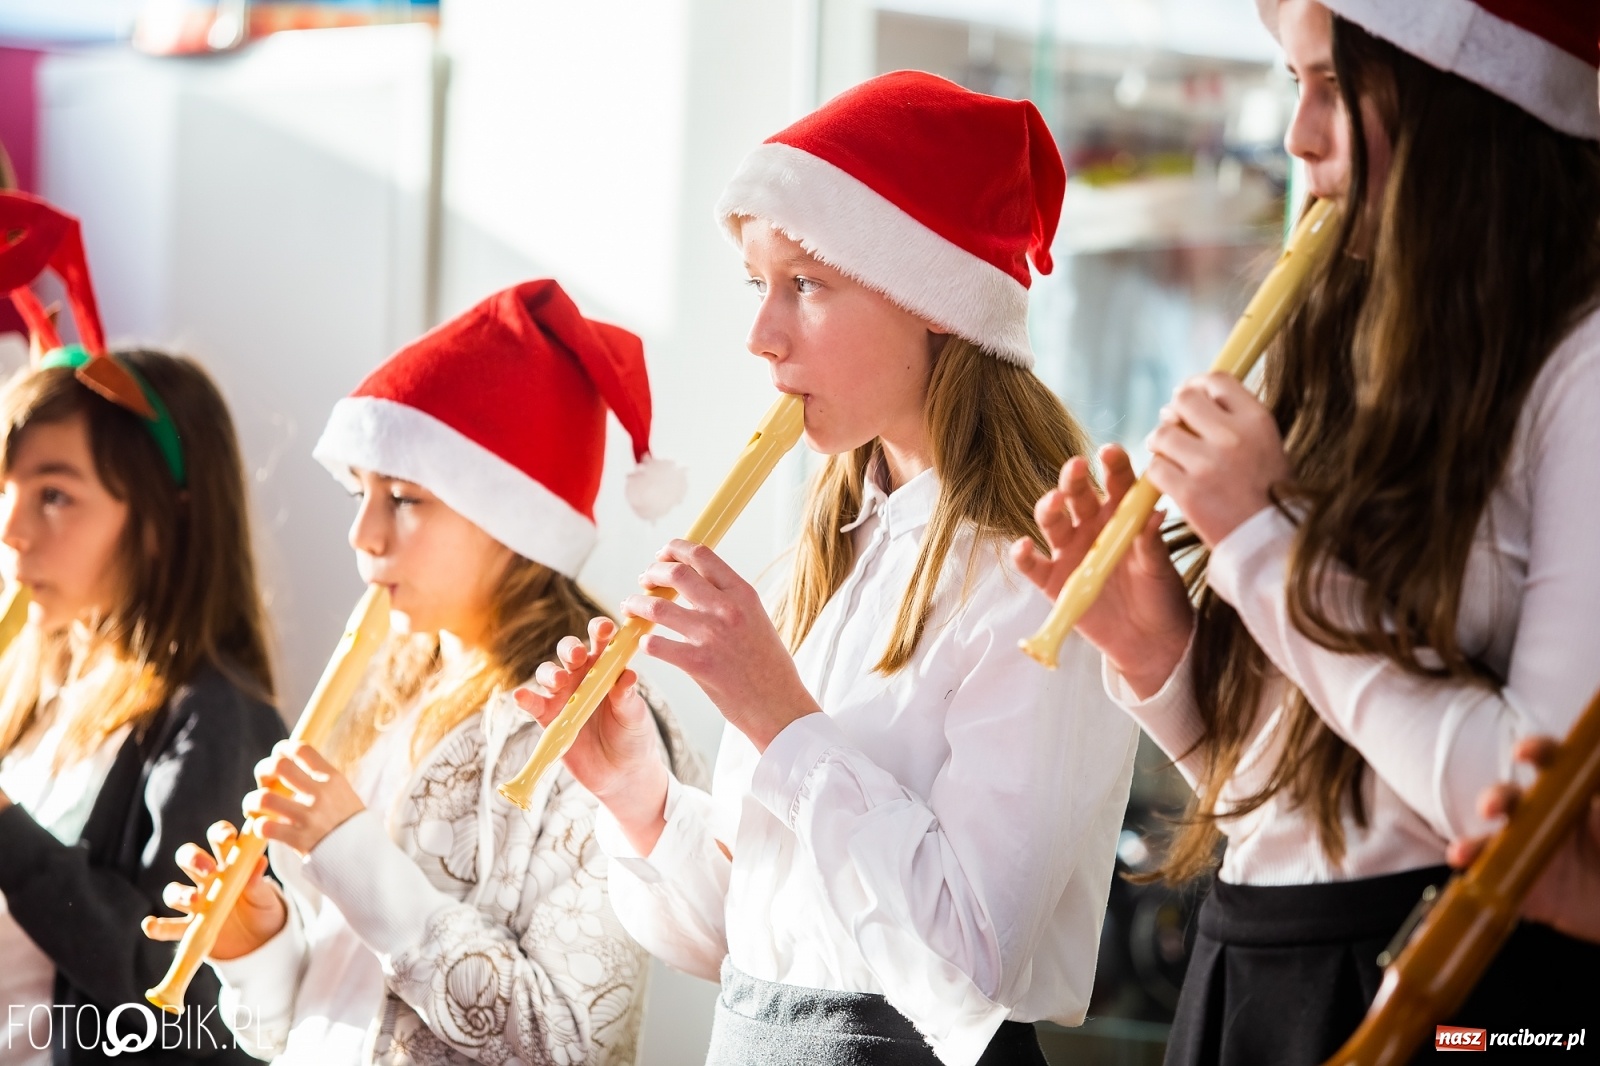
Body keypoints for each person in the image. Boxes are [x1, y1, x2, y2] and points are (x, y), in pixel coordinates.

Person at [1013, 1, 1600, 1061]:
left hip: (1469, 994)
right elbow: (1295, 819)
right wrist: (1163, 660)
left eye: (1332, 85)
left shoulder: (1582, 367)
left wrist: (1266, 549)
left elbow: (1537, 818)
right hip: (1253, 957)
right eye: (1291, 84)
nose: (1298, 137)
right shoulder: (1340, 346)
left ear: (1467, 99)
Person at [519, 71, 1139, 1066]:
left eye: (805, 284)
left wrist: (778, 713)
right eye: (758, 286)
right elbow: (756, 946)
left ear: (935, 300)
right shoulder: (829, 558)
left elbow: (967, 970)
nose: (761, 335)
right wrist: (641, 797)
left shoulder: (1041, 580)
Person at [149, 279, 703, 1066]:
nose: (362, 534)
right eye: (359, 492)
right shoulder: (391, 682)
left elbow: (572, 1045)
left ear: (514, 520)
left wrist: (353, 855)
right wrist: (260, 945)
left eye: (404, 497)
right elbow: (323, 1017)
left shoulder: (598, 719)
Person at [0, 191, 285, 1066]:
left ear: (163, 522)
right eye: (7, 491)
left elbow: (168, 983)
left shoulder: (217, 718)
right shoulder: (41, 679)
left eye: (55, 496)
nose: (12, 531)